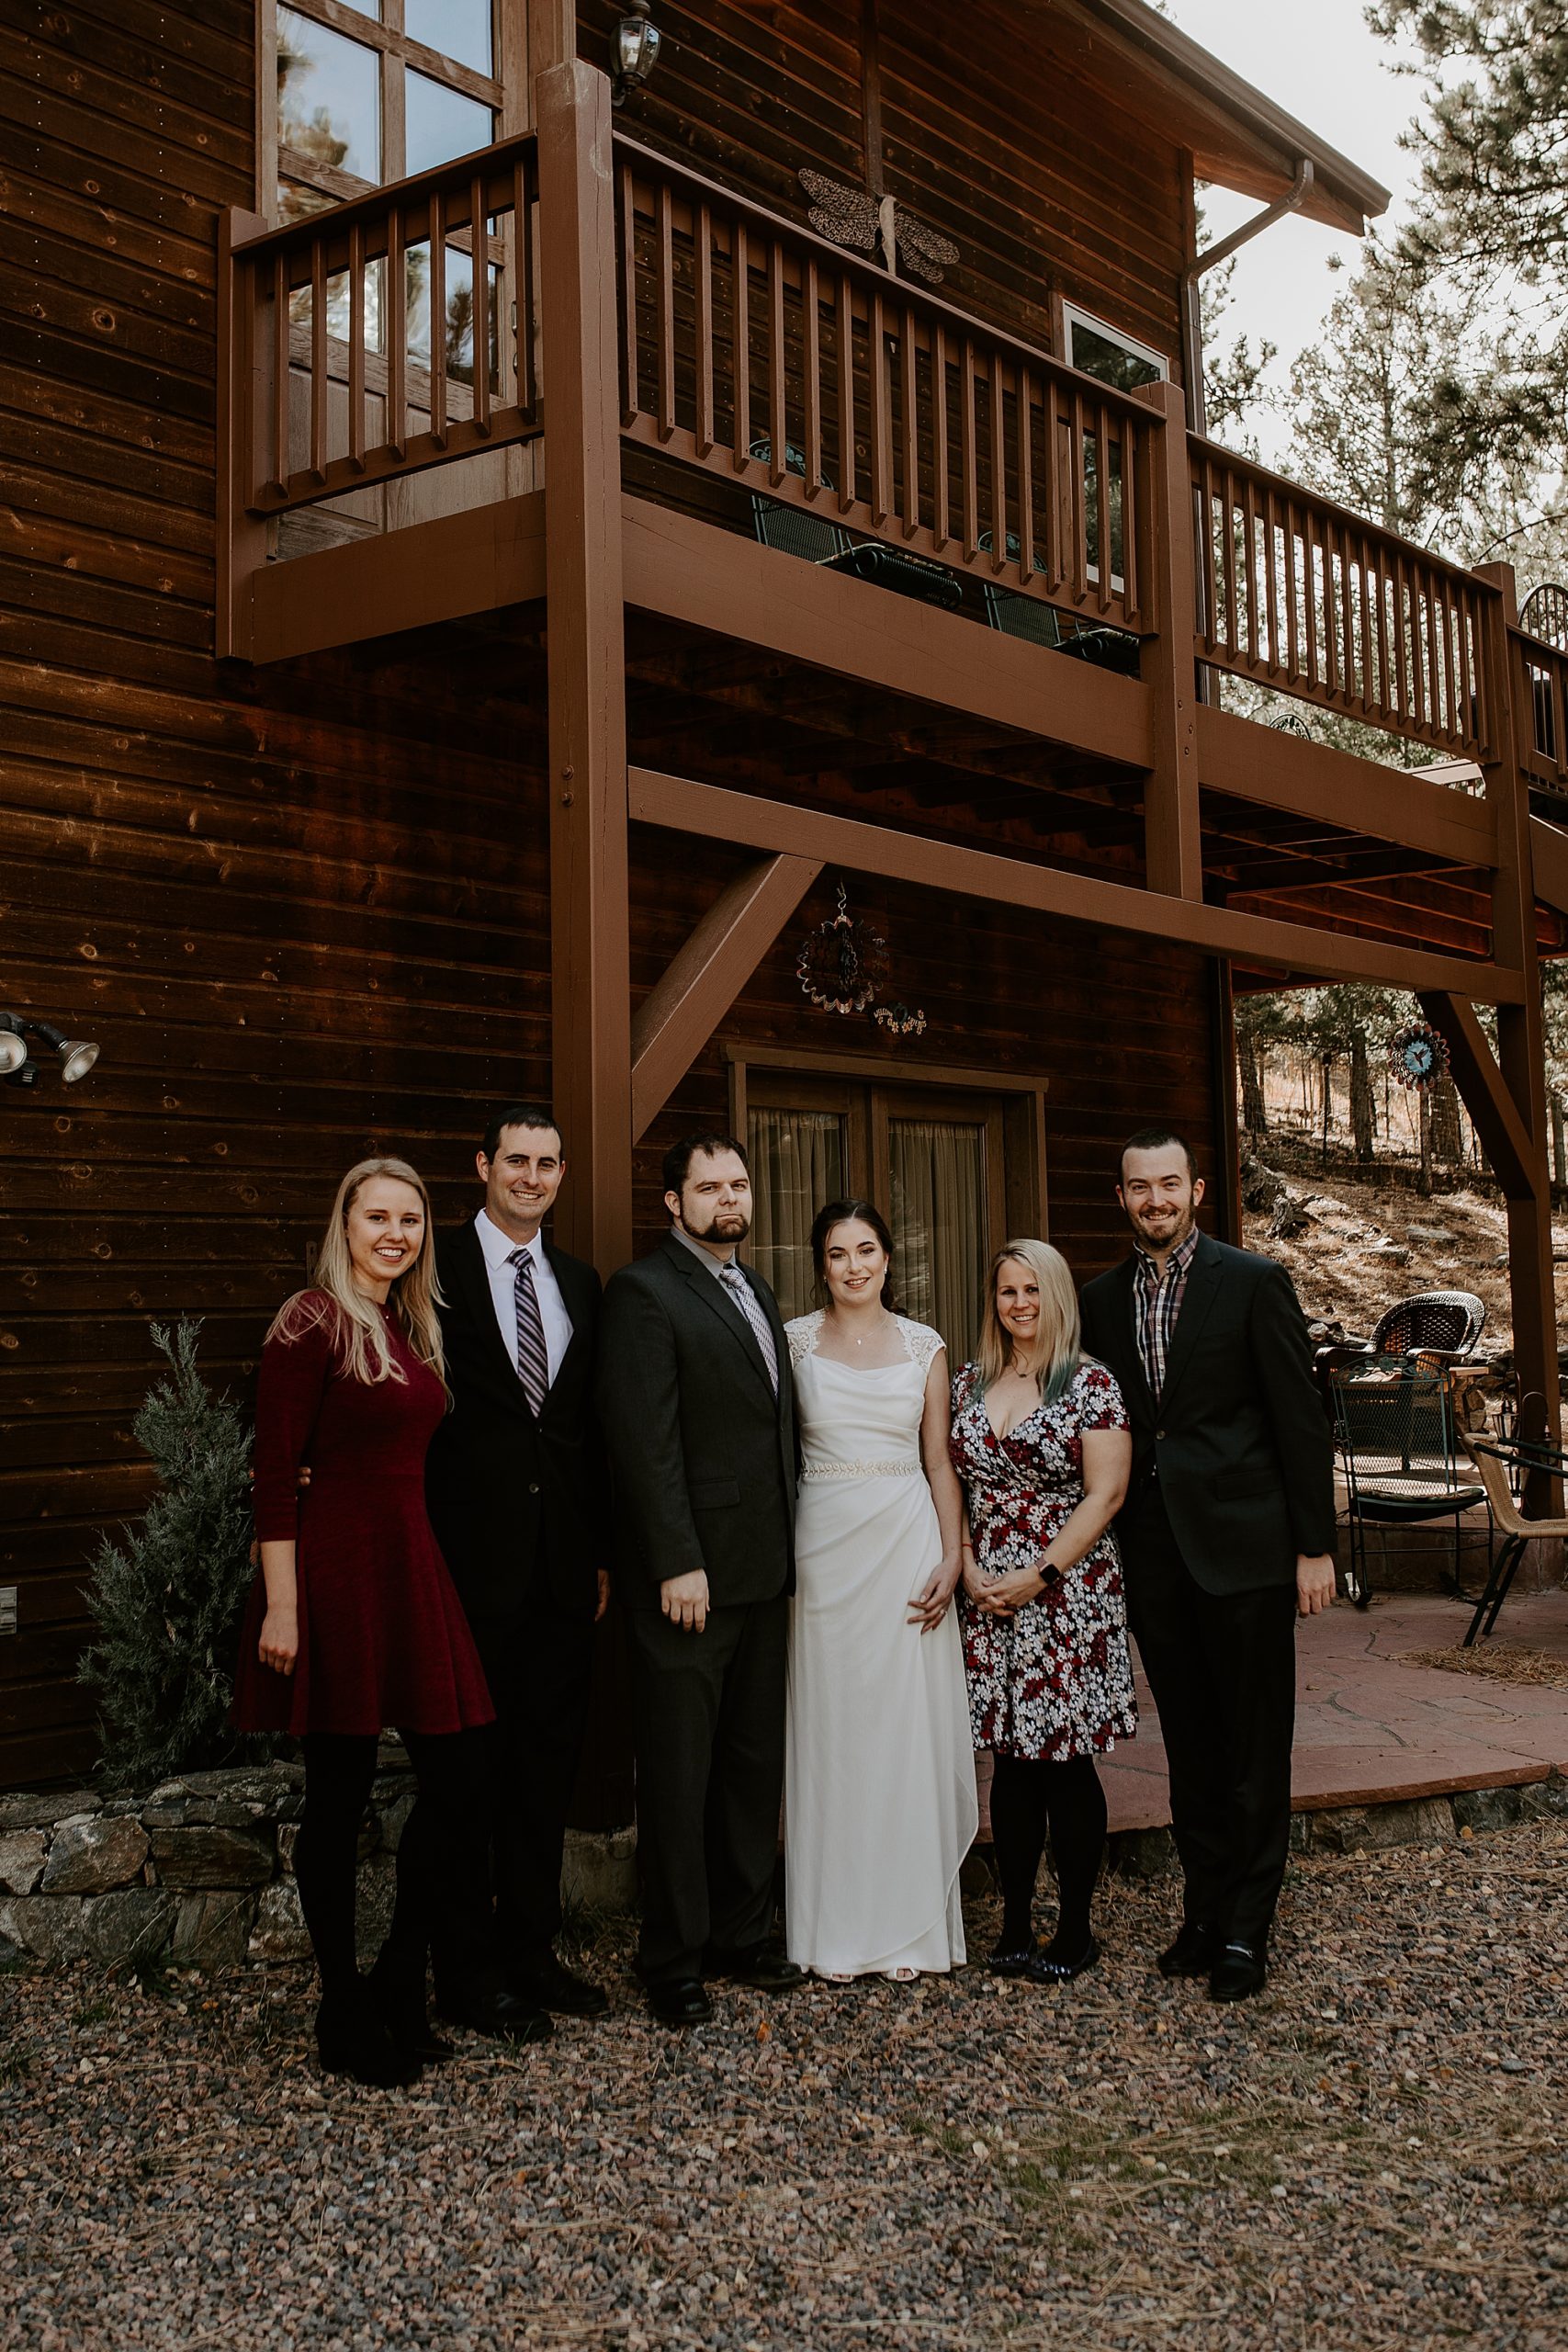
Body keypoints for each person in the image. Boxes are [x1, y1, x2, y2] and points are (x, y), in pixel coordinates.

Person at [232, 1157, 541, 2086]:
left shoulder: (411, 1327)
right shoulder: (310, 1320)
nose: (395, 1233)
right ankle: (342, 2008)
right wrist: (283, 1606)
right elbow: (275, 1474)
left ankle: (401, 1978)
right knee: (340, 1792)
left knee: (463, 1777)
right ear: (346, 1224)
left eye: (409, 1219)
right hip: (332, 1576)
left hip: (408, 1567)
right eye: (377, 1217)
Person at [1078, 1128, 1337, 2004]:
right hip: (1154, 1557)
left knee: (1252, 1747)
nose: (1153, 1199)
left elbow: (1298, 1419)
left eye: (1168, 1183)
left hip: (1247, 1551)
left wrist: (1313, 1547)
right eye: (1138, 1186)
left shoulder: (1254, 1282)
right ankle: (1202, 1910)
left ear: (1195, 1190)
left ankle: (1245, 1928)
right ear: (1121, 1197)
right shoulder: (1100, 1300)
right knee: (1189, 1747)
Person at [599, 1133, 805, 2026]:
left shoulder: (755, 1288)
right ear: (673, 1203)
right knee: (680, 1773)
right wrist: (677, 1559)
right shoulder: (644, 1293)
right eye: (710, 1187)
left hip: (763, 1570)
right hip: (690, 1579)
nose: (729, 1199)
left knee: (751, 1765)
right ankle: (672, 1958)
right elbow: (644, 1442)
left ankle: (740, 1933)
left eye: (738, 1184)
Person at [420, 1103, 609, 2023]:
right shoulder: (436, 1269)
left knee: (543, 1773)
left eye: (547, 1163)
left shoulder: (579, 1281)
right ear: (483, 1165)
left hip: (562, 1575)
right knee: (466, 1779)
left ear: (562, 1175)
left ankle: (532, 1954)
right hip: (465, 1568)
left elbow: (586, 1430)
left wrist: (600, 1553)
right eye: (517, 1161)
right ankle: (464, 1973)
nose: (532, 1177)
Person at [784, 1201, 976, 1981]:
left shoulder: (924, 1346)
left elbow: (938, 1462)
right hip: (822, 1551)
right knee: (832, 1729)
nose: (853, 1266)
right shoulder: (793, 1342)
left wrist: (953, 1556)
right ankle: (829, 1928)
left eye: (865, 1250)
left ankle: (907, 1929)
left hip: (905, 1545)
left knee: (901, 1728)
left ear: (888, 1259)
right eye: (837, 1254)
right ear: (821, 1265)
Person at [952, 1239, 1135, 1985]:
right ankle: (1016, 1921)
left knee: (1064, 1761)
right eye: (1007, 1291)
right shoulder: (969, 1382)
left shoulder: (1090, 1383)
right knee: (1010, 1761)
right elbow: (955, 1483)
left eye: (1032, 1290)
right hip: (987, 1589)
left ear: (1055, 1296)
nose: (1019, 1304)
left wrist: (1041, 1573)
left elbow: (1106, 1494)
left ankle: (1076, 1928)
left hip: (1067, 1590)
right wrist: (967, 1563)